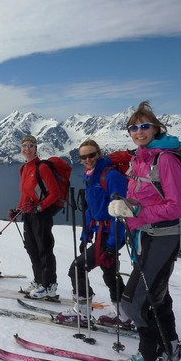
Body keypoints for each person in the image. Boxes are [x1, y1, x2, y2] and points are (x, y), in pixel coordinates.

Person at [108, 101, 181, 361]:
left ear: (155, 128)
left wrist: (137, 212)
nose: (139, 131)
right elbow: (140, 200)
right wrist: (126, 208)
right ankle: (170, 347)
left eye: (144, 126)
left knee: (133, 304)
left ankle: (152, 357)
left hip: (163, 236)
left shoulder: (165, 160)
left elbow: (175, 206)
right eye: (133, 127)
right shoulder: (139, 160)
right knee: (158, 296)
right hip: (145, 236)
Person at [56, 139, 128, 325]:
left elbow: (121, 213)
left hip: (111, 233)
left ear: (99, 154)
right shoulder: (91, 176)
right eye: (83, 157)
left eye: (91, 155)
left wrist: (112, 244)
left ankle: (82, 312)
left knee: (78, 268)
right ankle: (126, 315)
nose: (88, 159)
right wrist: (86, 235)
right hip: (101, 232)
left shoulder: (111, 176)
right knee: (110, 273)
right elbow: (90, 210)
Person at [10, 134, 61, 299]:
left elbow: (55, 193)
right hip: (29, 214)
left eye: (31, 145)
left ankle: (49, 286)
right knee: (32, 249)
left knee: (44, 249)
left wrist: (40, 207)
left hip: (41, 214)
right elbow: (25, 194)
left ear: (36, 148)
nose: (27, 148)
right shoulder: (24, 168)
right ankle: (39, 281)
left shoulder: (42, 167)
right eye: (24, 145)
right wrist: (18, 209)